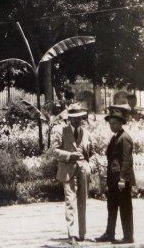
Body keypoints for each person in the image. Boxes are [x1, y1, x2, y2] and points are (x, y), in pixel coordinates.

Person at [52, 103, 94, 246]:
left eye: (80, 118)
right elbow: (55, 151)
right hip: (68, 170)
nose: (77, 121)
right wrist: (70, 155)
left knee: (83, 201)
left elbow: (93, 153)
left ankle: (83, 234)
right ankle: (72, 234)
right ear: (69, 118)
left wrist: (90, 165)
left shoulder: (86, 133)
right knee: (70, 201)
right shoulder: (60, 131)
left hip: (83, 171)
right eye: (74, 118)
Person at [95, 109, 135, 245]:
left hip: (121, 180)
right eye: (110, 123)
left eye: (115, 123)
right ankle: (109, 233)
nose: (112, 126)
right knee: (111, 206)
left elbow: (127, 160)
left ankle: (128, 236)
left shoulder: (124, 138)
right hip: (113, 179)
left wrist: (123, 179)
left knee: (125, 207)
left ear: (121, 123)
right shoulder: (115, 137)